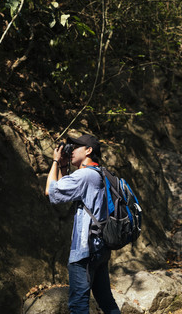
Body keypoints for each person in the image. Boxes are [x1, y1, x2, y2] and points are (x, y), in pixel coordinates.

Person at [45, 134, 121, 314]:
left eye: (76, 147)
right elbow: (68, 190)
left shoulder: (85, 175)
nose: (71, 150)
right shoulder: (100, 173)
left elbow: (51, 191)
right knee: (105, 300)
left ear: (89, 151)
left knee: (78, 304)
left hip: (85, 251)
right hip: (100, 248)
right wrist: (65, 166)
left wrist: (55, 162)